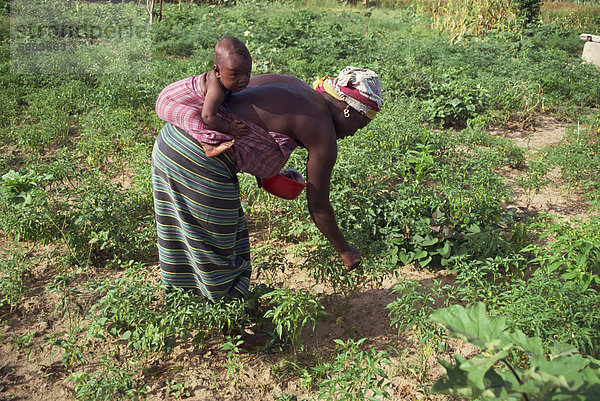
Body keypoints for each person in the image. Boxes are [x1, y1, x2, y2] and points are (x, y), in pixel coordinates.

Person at [153, 67, 383, 342]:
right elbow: (319, 206)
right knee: (218, 246)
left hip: (171, 141)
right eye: (361, 125)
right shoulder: (322, 129)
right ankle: (234, 334)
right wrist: (345, 250)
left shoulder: (293, 86)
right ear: (350, 111)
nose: (354, 133)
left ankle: (193, 307)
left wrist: (271, 170)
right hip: (198, 160)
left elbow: (249, 119)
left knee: (214, 236)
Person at [157, 36, 252, 158]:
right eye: (235, 75)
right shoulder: (216, 91)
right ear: (217, 72)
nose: (243, 79)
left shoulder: (222, 83)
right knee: (192, 116)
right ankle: (207, 144)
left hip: (176, 98)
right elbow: (208, 116)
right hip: (168, 102)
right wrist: (229, 128)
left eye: (248, 73)